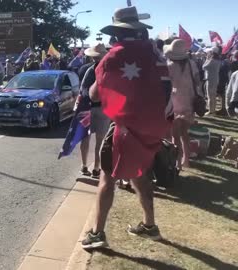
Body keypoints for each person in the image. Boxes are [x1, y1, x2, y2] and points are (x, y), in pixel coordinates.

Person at [81, 6, 173, 250]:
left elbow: (95, 94)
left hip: (126, 127)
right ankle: (150, 225)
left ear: (116, 32)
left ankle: (97, 233)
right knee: (140, 173)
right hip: (153, 127)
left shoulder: (113, 57)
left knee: (106, 179)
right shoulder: (155, 54)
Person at [165, 39, 202, 170]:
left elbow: (167, 84)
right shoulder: (192, 64)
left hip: (174, 101)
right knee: (185, 134)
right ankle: (186, 159)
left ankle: (178, 163)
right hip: (189, 100)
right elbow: (198, 81)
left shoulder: (169, 66)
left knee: (174, 135)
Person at [77, 44, 110, 179]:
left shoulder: (86, 69)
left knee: (85, 138)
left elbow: (82, 90)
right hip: (103, 107)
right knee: (100, 140)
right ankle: (97, 168)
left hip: (86, 107)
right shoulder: (108, 71)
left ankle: (84, 165)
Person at [203, 47, 221, 115]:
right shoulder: (218, 60)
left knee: (210, 96)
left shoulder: (212, 60)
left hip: (210, 80)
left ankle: (211, 111)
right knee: (213, 95)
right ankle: (213, 110)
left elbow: (204, 67)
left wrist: (207, 59)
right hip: (215, 79)